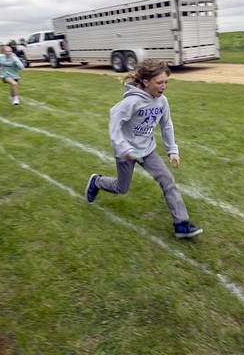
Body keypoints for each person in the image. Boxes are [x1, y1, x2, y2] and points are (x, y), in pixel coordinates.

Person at [84, 59, 202, 239]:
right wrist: (124, 149)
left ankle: (181, 224)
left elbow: (166, 125)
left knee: (167, 180)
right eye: (160, 82)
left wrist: (173, 150)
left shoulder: (162, 101)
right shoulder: (132, 102)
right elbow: (114, 122)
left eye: (166, 82)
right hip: (127, 152)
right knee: (121, 188)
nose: (164, 86)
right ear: (146, 81)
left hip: (147, 150)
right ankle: (96, 182)